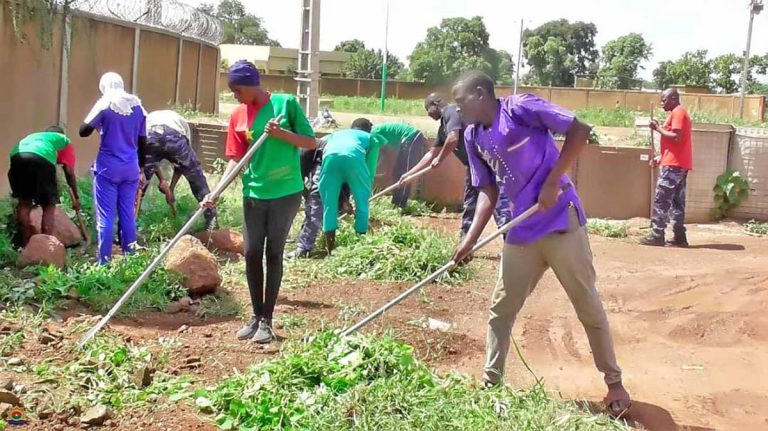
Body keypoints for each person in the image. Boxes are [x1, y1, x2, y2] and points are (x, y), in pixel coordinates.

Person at [450, 71, 630, 416]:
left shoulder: (519, 108)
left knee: (587, 306)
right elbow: (487, 190)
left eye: (461, 102)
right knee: (501, 310)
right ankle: (491, 383)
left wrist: (551, 182)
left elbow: (580, 129)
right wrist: (469, 240)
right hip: (521, 233)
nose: (458, 110)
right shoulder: (473, 136)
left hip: (561, 222)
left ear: (479, 94)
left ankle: (614, 383)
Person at [202, 60, 316, 344]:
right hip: (253, 192)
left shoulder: (285, 104)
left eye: (237, 89)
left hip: (285, 192)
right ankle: (255, 316)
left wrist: (282, 135)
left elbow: (310, 142)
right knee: (252, 253)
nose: (234, 95)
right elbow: (235, 159)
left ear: (252, 84)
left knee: (273, 253)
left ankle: (268, 319)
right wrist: (214, 192)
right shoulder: (237, 115)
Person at [400, 93, 512, 239]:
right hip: (473, 167)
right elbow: (430, 155)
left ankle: (510, 241)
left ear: (435, 103)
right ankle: (465, 240)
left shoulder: (451, 111)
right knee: (470, 203)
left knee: (497, 204)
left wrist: (440, 159)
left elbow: (453, 138)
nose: (428, 114)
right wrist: (409, 175)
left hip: (488, 164)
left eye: (428, 109)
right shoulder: (443, 128)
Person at [80, 72, 147, 265]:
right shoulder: (138, 107)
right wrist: (141, 169)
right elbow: (143, 142)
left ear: (104, 87)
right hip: (131, 168)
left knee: (106, 217)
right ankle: (130, 258)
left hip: (107, 169)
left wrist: (102, 123)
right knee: (127, 214)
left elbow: (83, 131)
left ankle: (104, 262)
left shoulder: (105, 104)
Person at [139, 110, 217, 230]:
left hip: (150, 136)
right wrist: (167, 185)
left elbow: (152, 162)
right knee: (195, 176)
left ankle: (128, 229)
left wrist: (169, 189)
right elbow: (182, 166)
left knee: (140, 184)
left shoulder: (150, 118)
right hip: (173, 136)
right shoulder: (182, 124)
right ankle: (211, 221)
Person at [7, 126, 80, 247]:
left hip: (17, 156)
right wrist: (76, 197)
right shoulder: (64, 140)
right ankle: (47, 247)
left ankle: (25, 245)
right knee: (48, 205)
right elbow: (69, 171)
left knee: (24, 202)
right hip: (42, 158)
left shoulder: (35, 137)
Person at [318, 118, 384, 253]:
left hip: (330, 160)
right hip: (354, 160)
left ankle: (330, 248)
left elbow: (321, 146)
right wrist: (367, 182)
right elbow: (370, 165)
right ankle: (359, 247)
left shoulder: (335, 134)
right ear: (369, 129)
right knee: (362, 204)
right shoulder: (371, 137)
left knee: (329, 206)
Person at [641, 88, 692, 247]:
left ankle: (657, 235)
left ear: (674, 99)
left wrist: (657, 128)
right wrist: (660, 157)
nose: (661, 103)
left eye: (664, 100)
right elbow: (675, 144)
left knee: (662, 199)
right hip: (678, 163)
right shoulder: (678, 113)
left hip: (673, 165)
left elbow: (676, 137)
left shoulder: (678, 113)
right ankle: (679, 237)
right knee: (677, 201)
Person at [286, 139, 351, 259]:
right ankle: (304, 245)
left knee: (316, 204)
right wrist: (305, 193)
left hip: (333, 164)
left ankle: (305, 245)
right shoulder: (302, 155)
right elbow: (299, 179)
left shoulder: (309, 150)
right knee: (315, 205)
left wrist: (344, 200)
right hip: (336, 164)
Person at [369, 122, 425, 208]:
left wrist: (388, 171)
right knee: (397, 172)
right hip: (407, 139)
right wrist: (389, 171)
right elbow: (387, 153)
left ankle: (401, 204)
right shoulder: (377, 133)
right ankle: (396, 202)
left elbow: (389, 153)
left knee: (406, 171)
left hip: (412, 136)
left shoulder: (373, 133)